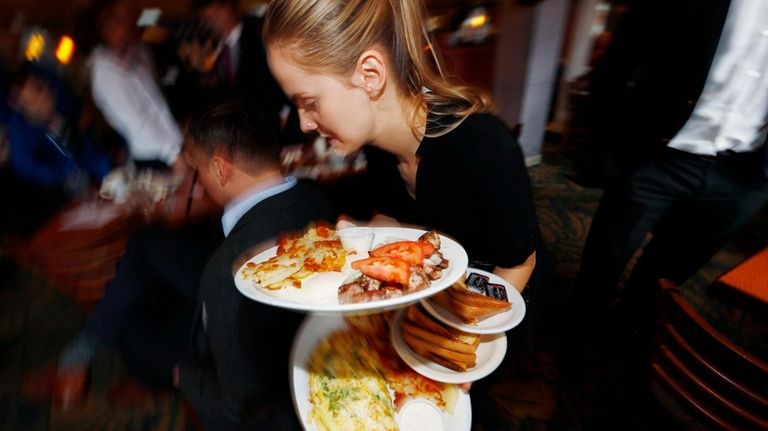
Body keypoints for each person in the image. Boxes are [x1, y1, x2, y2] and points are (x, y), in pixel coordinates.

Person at [263, 0, 545, 350]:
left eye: (309, 101)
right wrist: (364, 238)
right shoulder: (375, 144)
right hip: (431, 301)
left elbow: (519, 262)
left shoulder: (484, 147)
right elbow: (396, 218)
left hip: (494, 307)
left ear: (370, 74)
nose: (304, 122)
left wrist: (464, 340)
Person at [573, 0, 768, 330]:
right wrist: (600, 143)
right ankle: (575, 340)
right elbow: (621, 57)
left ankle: (630, 329)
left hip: (744, 174)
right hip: (656, 155)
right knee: (603, 263)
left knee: (669, 272)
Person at [175, 103, 334, 430]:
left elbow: (236, 406)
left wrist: (184, 379)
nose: (198, 181)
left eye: (197, 169)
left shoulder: (226, 273)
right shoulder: (324, 201)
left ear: (220, 169)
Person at [89, 0, 183, 170]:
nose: (128, 23)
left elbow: (156, 99)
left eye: (129, 16)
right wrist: (174, 155)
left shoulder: (135, 49)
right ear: (104, 29)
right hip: (157, 156)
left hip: (174, 142)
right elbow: (138, 124)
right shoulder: (106, 75)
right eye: (120, 20)